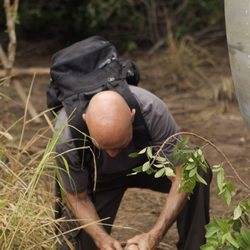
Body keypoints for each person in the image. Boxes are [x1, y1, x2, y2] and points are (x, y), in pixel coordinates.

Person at [55, 85, 212, 250]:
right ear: (86, 120)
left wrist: (154, 235)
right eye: (104, 147)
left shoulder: (151, 110)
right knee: (73, 246)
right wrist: (102, 239)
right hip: (99, 180)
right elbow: (78, 199)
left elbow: (182, 176)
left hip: (149, 166)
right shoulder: (67, 135)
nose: (113, 154)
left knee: (194, 167)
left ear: (132, 116)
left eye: (119, 145)